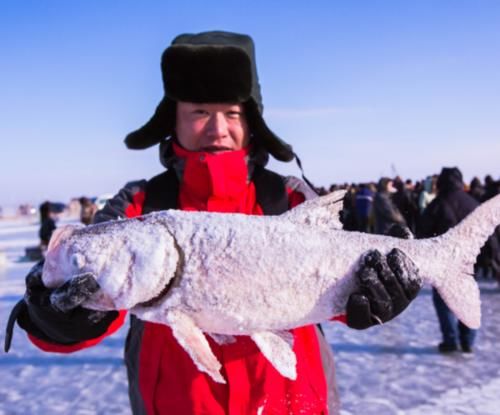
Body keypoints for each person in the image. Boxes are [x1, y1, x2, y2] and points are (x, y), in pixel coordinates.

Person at [7, 31, 421, 414]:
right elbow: (93, 306)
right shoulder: (139, 204)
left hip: (293, 402)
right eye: (200, 111)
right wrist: (58, 317)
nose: (218, 128)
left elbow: (335, 289)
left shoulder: (289, 196)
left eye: (233, 113)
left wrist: (374, 297)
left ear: (251, 120)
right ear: (174, 118)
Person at [419, 167, 479, 353]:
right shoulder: (472, 204)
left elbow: (423, 234)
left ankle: (451, 340)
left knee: (444, 302)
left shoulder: (436, 205)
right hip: (468, 263)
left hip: (443, 264)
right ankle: (467, 340)